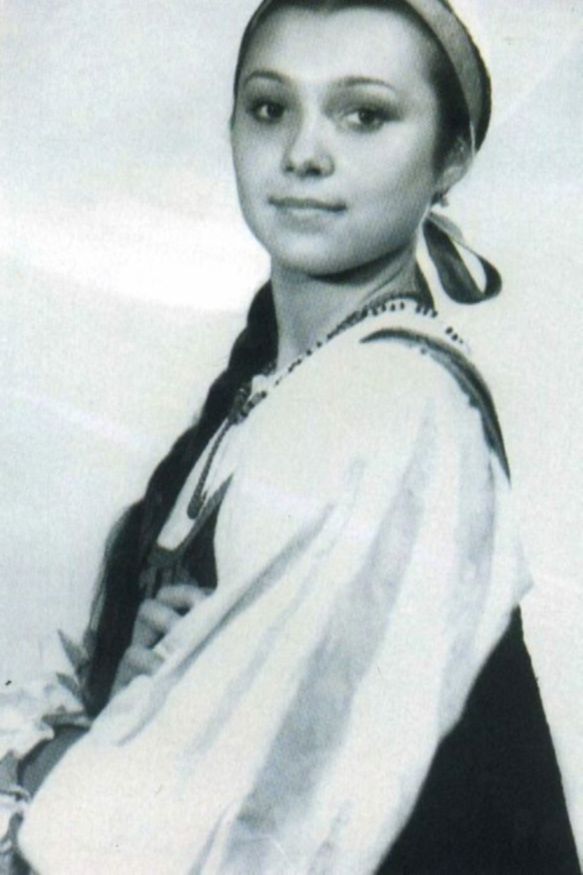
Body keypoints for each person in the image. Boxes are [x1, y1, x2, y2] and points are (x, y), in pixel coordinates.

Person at [1, 0, 579, 872]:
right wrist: (128, 718)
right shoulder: (272, 388)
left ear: (452, 156)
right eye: (270, 107)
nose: (304, 153)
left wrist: (60, 758)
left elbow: (201, 839)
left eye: (364, 115)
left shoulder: (392, 404)